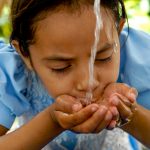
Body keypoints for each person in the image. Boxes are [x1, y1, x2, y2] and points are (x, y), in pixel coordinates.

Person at [0, 0, 150, 149]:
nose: (88, 83)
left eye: (103, 57)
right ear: (24, 54)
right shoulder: (13, 73)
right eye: (61, 67)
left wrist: (129, 113)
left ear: (118, 32)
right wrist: (52, 121)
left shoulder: (134, 58)